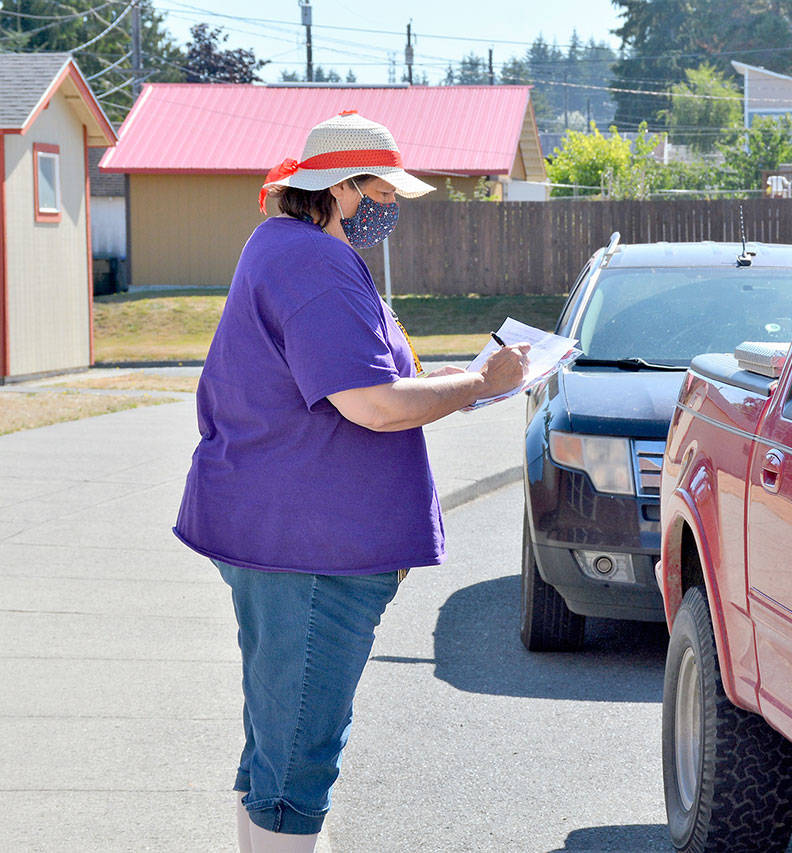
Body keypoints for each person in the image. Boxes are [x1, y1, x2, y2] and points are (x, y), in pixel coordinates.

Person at [173, 111, 529, 853]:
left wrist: (453, 383)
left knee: (277, 742)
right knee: (299, 756)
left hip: (281, 536)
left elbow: (369, 380)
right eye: (381, 190)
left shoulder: (285, 247)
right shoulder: (312, 263)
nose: (390, 206)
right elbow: (371, 404)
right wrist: (479, 380)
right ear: (338, 189)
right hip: (310, 548)